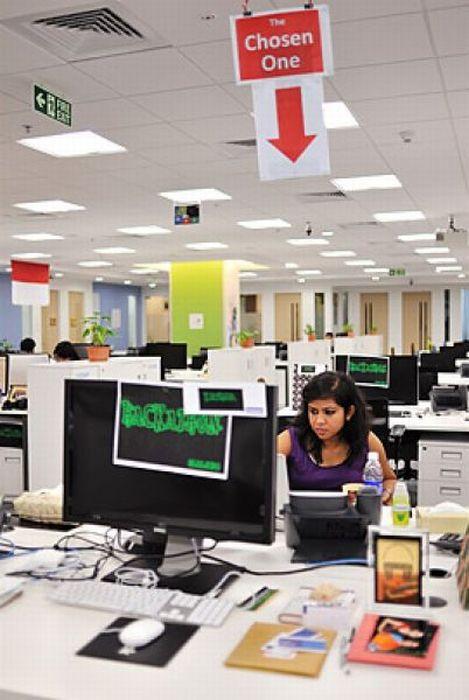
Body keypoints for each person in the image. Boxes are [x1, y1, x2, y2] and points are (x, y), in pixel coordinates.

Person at [277, 371, 396, 503]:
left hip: (351, 514)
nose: (319, 421)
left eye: (329, 412)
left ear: (349, 412)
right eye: (313, 411)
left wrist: (384, 495)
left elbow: (389, 479)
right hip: (299, 515)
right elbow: (263, 478)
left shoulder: (366, 440)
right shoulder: (289, 440)